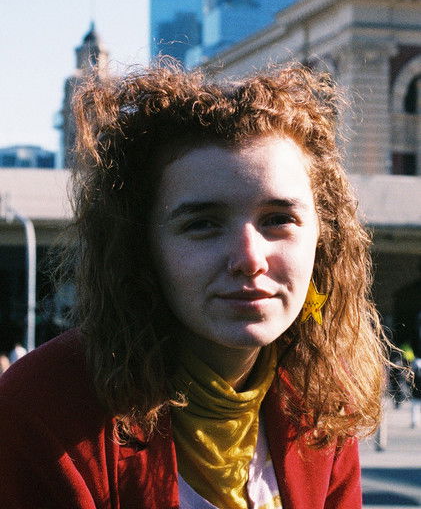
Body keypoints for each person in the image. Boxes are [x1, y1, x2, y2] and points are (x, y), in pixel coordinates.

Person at [0, 65, 389, 509]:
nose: (250, 259)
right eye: (202, 224)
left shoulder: (323, 399)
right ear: (140, 246)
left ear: (324, 237)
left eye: (279, 219)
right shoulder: (43, 408)